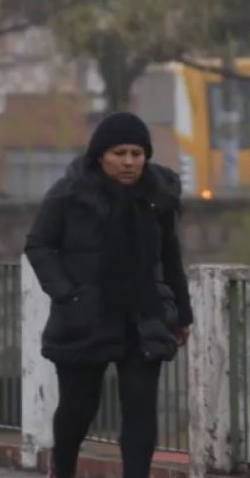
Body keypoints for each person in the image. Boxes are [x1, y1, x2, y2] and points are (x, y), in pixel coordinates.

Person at [25, 112, 193, 478]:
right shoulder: (70, 193)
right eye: (120, 153)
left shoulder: (157, 196)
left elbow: (170, 256)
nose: (129, 161)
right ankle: (63, 469)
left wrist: (183, 313)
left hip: (143, 314)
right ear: (100, 154)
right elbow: (39, 245)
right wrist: (68, 295)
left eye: (137, 153)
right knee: (78, 409)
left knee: (140, 409)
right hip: (86, 316)